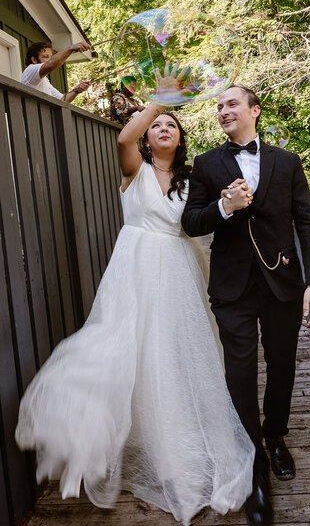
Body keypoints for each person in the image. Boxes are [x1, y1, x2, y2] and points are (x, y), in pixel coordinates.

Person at [15, 64, 255, 526]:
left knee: (178, 353)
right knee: (130, 347)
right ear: (148, 136)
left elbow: (200, 220)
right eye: (157, 126)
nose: (163, 129)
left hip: (180, 271)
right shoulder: (134, 167)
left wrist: (226, 200)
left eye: (171, 126)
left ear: (180, 140)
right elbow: (124, 139)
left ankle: (182, 436)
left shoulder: (192, 180)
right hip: (136, 268)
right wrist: (162, 100)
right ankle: (137, 434)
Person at [181, 84, 310, 526]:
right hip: (232, 288)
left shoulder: (288, 162)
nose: (222, 110)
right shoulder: (206, 164)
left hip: (283, 283)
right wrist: (224, 207)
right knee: (239, 373)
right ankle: (254, 466)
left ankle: (275, 435)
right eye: (218, 106)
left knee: (282, 363)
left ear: (253, 111)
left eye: (230, 103)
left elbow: (307, 222)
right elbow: (190, 221)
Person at [21, 41, 91, 101]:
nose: (50, 60)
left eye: (51, 57)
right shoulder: (30, 70)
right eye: (46, 56)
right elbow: (51, 64)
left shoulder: (44, 80)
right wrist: (71, 48)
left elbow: (62, 99)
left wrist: (77, 90)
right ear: (34, 60)